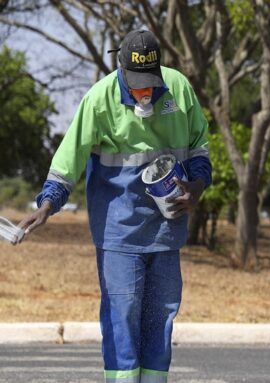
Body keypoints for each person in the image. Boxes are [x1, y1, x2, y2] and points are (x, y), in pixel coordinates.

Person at [18, 30, 212, 383]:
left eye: (150, 83)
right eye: (137, 83)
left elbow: (199, 145)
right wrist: (47, 204)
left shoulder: (179, 89)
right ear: (121, 69)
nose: (145, 91)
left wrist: (198, 185)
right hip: (119, 232)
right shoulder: (99, 100)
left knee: (161, 317)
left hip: (167, 229)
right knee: (121, 315)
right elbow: (69, 158)